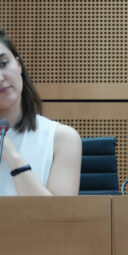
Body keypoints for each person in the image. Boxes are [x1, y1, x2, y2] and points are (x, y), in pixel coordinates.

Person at [0, 29, 81, 196]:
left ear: (18, 65)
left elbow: (59, 218)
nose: (0, 78)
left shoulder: (62, 138)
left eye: (3, 64)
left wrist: (12, 156)